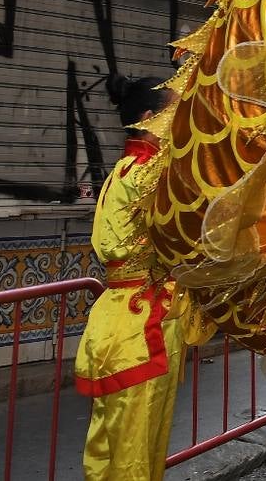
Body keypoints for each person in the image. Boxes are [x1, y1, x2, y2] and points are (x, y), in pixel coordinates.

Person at [76, 75, 185, 481]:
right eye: (175, 111)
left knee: (111, 445)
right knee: (135, 450)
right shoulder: (148, 174)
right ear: (148, 118)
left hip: (124, 319)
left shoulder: (127, 168)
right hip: (141, 327)